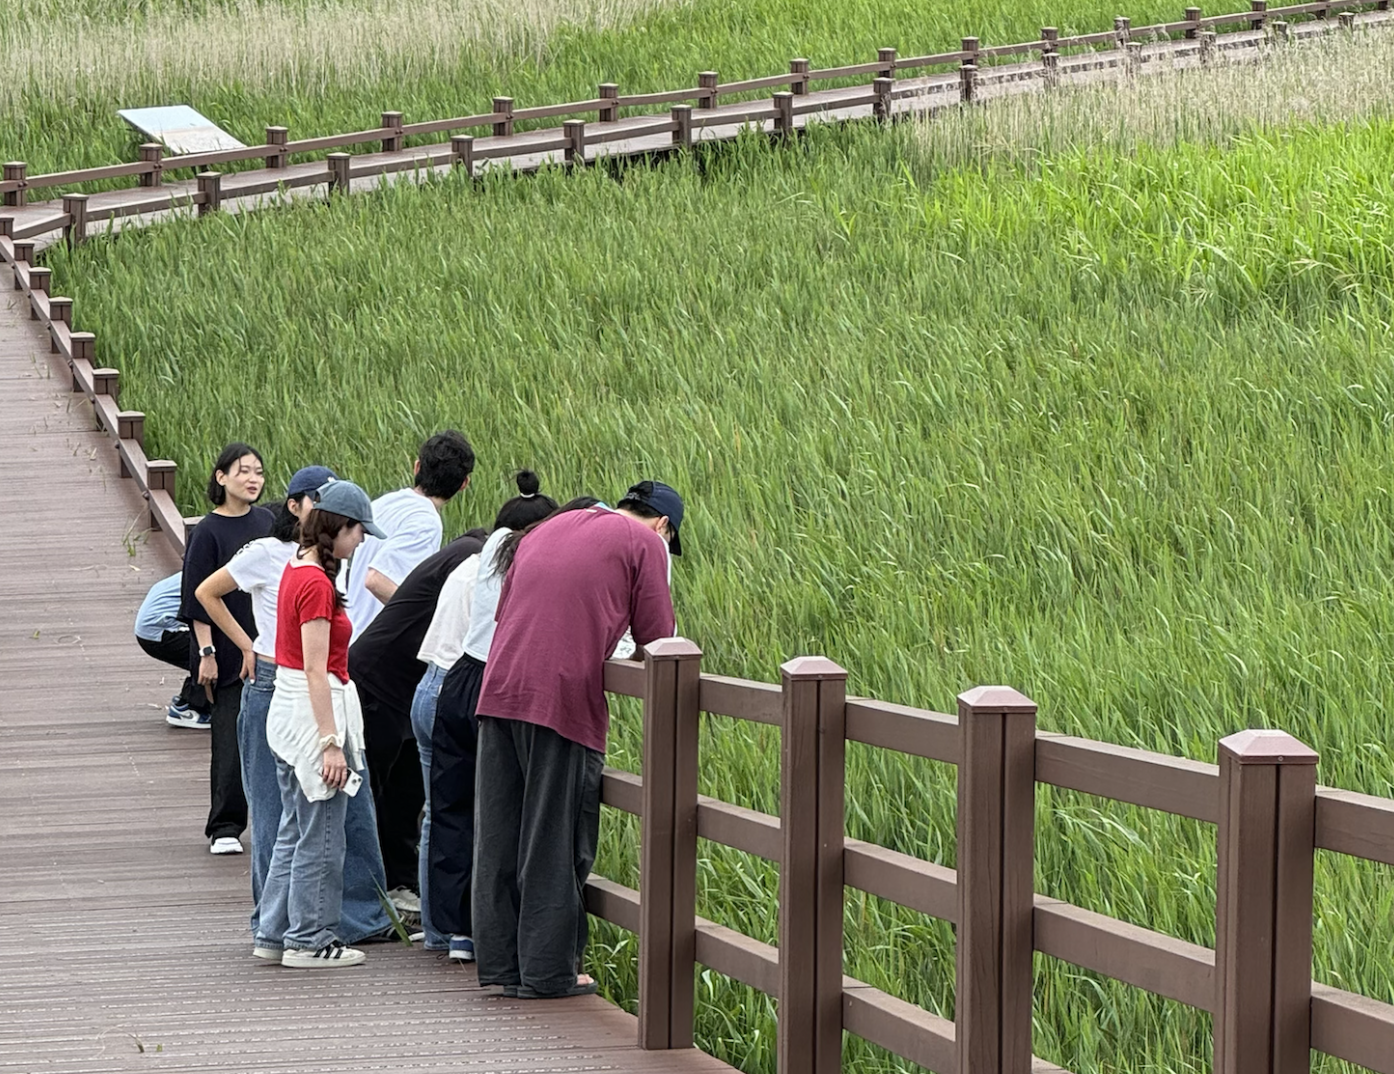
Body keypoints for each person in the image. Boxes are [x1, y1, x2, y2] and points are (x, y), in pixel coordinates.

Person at [473, 481, 683, 998]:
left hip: (499, 688)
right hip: (561, 698)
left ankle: (500, 964)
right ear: (663, 526)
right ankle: (548, 972)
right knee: (554, 833)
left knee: (499, 832)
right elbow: (661, 641)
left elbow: (508, 613)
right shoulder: (645, 545)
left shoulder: (547, 527)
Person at [194, 466, 395, 945]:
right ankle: (297, 931)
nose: (362, 538)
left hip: (297, 688)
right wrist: (241, 647)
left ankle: (306, 924)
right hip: (286, 687)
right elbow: (312, 666)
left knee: (315, 820)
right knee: (289, 818)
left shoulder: (309, 565)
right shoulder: (285, 562)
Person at [413, 472, 558, 955]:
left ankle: (447, 930)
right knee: (496, 813)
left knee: (446, 811)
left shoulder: (480, 559)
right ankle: (487, 934)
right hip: (488, 686)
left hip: (445, 681)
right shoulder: (523, 565)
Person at [255, 480, 383, 969]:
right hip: (312, 711)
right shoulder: (315, 583)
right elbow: (315, 667)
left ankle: (273, 932)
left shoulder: (297, 567)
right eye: (357, 532)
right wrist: (331, 743)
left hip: (289, 709)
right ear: (338, 528)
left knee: (294, 827)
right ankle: (310, 938)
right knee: (323, 834)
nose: (360, 542)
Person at [348, 517, 488, 919]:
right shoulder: (471, 559)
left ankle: (398, 884)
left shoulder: (463, 553)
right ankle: (361, 900)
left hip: (409, 687)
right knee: (368, 791)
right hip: (379, 680)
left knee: (405, 794)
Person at [180, 442, 273, 855]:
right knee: (230, 739)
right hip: (228, 651)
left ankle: (271, 822)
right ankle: (225, 826)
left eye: (258, 472)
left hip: (269, 648)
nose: (253, 479)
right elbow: (196, 598)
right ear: (221, 478)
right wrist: (206, 653)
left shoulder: (268, 521)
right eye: (243, 471)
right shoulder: (208, 531)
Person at [344, 430, 475, 643]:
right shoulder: (426, 522)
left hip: (353, 634)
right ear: (464, 484)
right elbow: (376, 579)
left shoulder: (383, 503)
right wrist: (424, 621)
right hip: (376, 646)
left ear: (417, 467)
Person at [133, 572, 203, 726]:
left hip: (149, 628)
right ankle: (192, 707)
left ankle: (194, 700)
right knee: (220, 652)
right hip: (160, 630)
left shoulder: (203, 566)